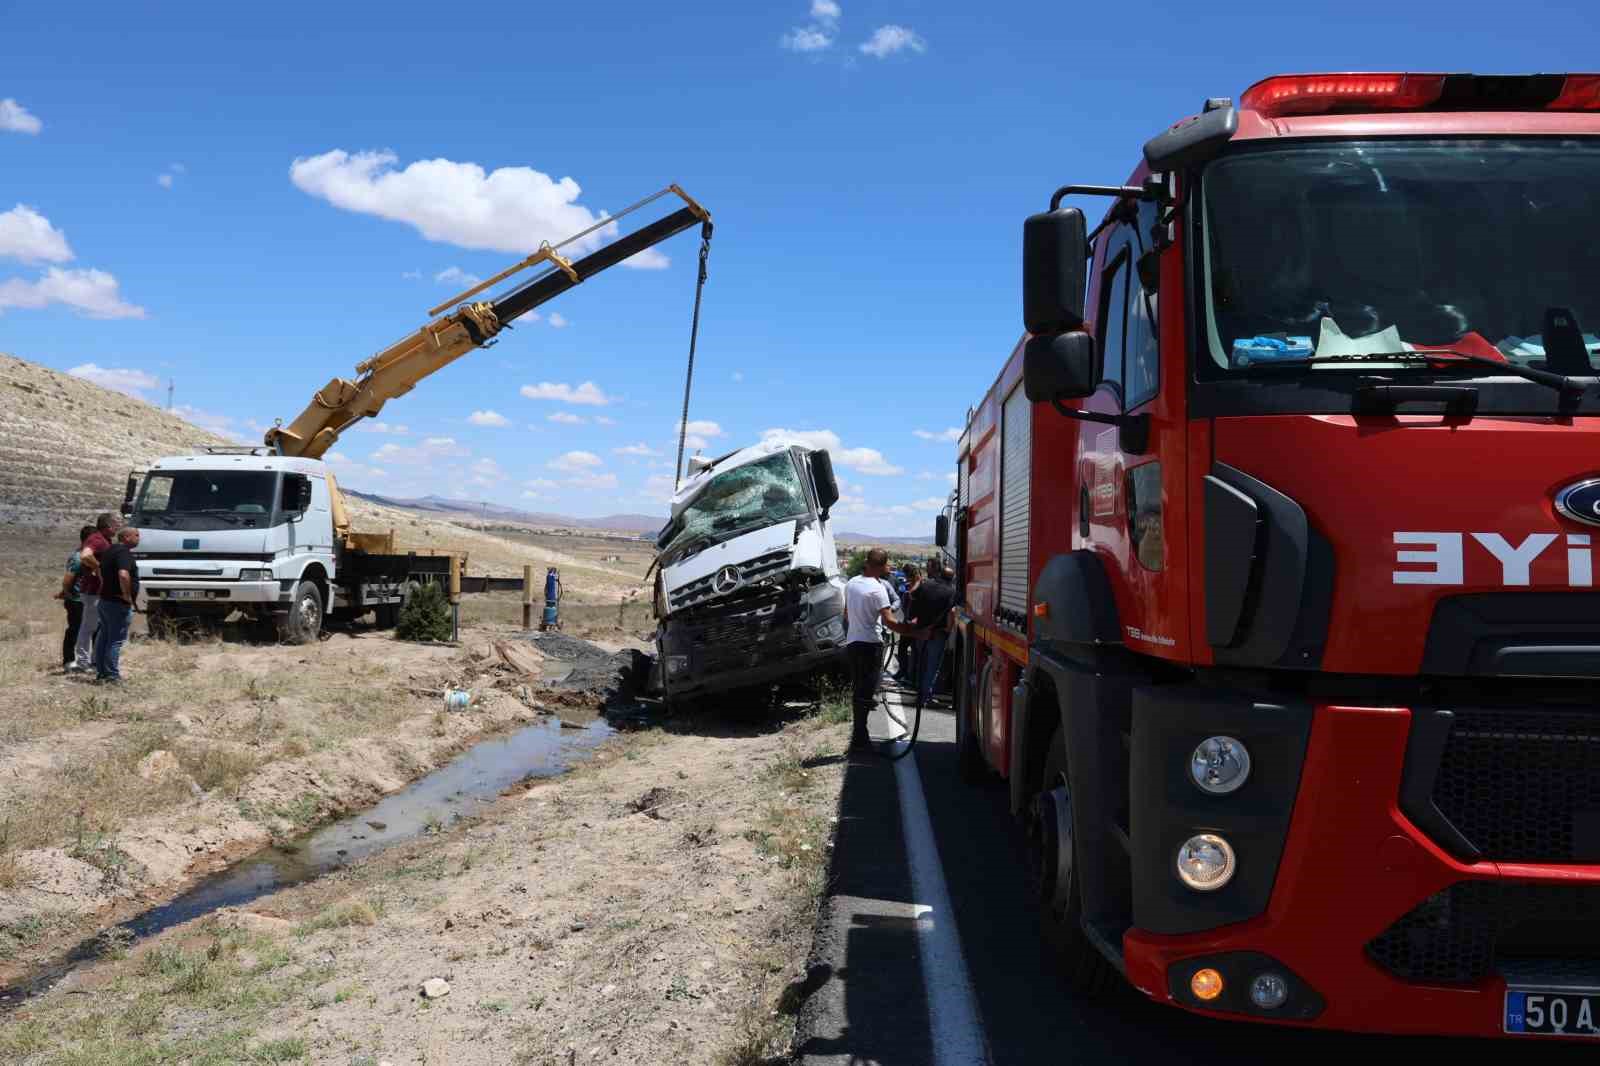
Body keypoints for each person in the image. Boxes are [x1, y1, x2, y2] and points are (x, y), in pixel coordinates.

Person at [845, 548, 926, 749]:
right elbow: (890, 622)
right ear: (881, 566)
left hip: (852, 643)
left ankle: (859, 736)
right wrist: (913, 630)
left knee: (859, 689)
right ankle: (860, 739)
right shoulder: (878, 588)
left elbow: (846, 615)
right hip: (870, 645)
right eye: (886, 565)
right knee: (867, 690)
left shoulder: (851, 583)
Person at [92, 526, 141, 684]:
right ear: (126, 537)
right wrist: (126, 595)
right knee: (115, 641)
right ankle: (112, 676)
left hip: (105, 601)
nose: (139, 538)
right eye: (136, 535)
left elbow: (99, 570)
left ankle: (102, 673)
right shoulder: (123, 552)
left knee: (104, 638)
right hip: (117, 603)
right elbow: (123, 574)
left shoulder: (109, 550)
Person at [72, 512, 120, 672]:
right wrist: (99, 568)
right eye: (116, 524)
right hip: (92, 591)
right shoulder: (97, 539)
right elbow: (85, 555)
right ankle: (82, 662)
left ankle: (93, 660)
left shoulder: (104, 540)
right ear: (108, 526)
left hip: (98, 590)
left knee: (96, 626)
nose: (118, 527)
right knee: (89, 626)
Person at [910, 562, 959, 708]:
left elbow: (912, 596)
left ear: (939, 574)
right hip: (937, 633)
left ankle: (919, 696)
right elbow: (952, 612)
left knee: (922, 664)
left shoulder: (925, 585)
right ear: (952, 579)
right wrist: (949, 629)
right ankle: (926, 697)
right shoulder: (951, 592)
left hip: (921, 631)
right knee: (932, 667)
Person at [53, 525, 94, 671]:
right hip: (77, 601)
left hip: (86, 599)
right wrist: (68, 594)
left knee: (92, 630)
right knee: (75, 630)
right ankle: (69, 661)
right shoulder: (79, 557)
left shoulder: (87, 555)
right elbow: (68, 579)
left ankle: (92, 661)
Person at [894, 563, 923, 683]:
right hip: (907, 622)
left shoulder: (920, 587)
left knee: (915, 650)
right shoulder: (907, 586)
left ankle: (911, 675)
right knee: (903, 649)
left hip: (916, 624)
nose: (906, 578)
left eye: (907, 575)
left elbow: (914, 599)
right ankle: (904, 671)